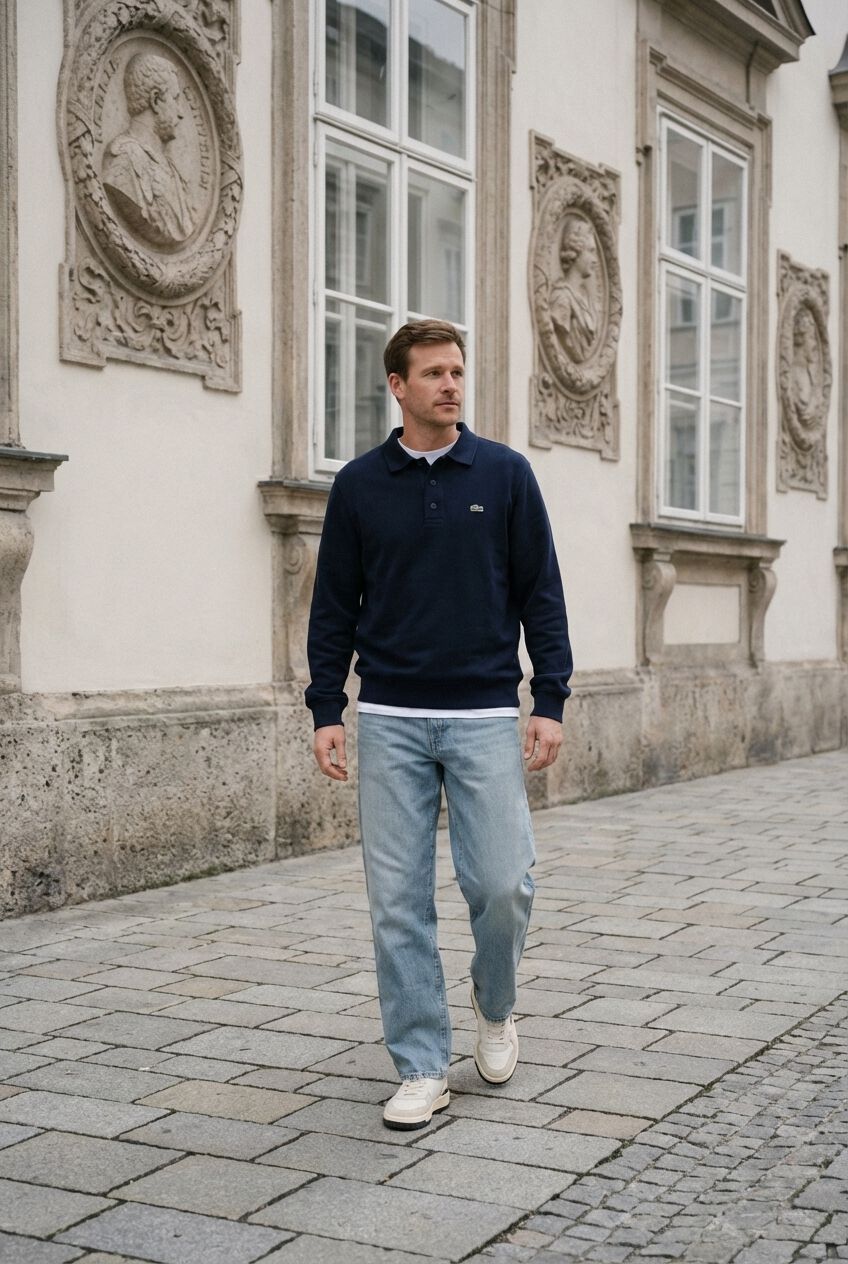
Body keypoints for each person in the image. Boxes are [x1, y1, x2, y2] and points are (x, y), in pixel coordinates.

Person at [305, 319, 572, 1129]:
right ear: (398, 385)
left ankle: (496, 1003)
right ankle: (422, 1064)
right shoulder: (359, 485)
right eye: (433, 373)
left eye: (457, 370)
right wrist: (327, 707)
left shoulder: (505, 474)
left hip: (484, 711)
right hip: (389, 715)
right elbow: (333, 605)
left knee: (502, 884)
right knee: (397, 901)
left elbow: (541, 592)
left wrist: (549, 699)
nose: (451, 384)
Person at [102, 53, 195, 249]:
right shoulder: (122, 160)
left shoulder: (172, 171)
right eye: (175, 99)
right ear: (155, 100)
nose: (180, 112)